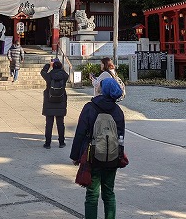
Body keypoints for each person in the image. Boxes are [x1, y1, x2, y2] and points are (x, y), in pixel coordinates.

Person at [71, 78, 125, 219]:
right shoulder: (118, 111)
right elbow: (121, 137)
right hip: (112, 157)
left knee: (92, 195)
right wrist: (119, 155)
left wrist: (75, 155)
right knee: (109, 193)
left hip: (92, 155)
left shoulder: (89, 107)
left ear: (102, 90)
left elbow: (80, 132)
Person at [40, 58, 69, 149]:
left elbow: (42, 72)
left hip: (49, 102)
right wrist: (60, 66)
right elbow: (65, 73)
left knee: (49, 124)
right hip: (60, 102)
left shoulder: (49, 75)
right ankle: (61, 142)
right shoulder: (64, 75)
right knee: (60, 124)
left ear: (53, 66)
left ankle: (47, 143)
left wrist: (48, 65)